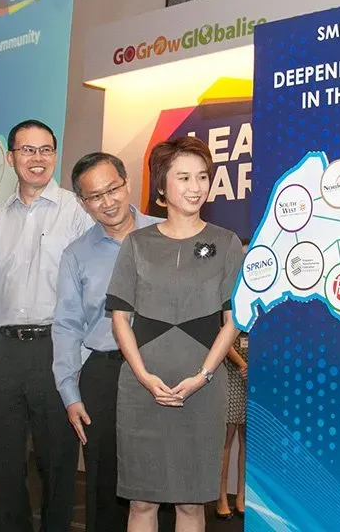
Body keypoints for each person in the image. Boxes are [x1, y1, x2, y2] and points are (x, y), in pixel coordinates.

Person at [0, 119, 92, 532]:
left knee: (58, 464)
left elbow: (94, 289)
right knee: (2, 463)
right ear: (9, 157)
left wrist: (79, 357)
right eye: (28, 150)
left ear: (56, 154)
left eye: (46, 149)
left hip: (59, 347)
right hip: (7, 351)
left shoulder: (77, 211)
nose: (38, 159)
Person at [106, 136, 242, 531]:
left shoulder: (226, 242)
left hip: (202, 389)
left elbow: (232, 320)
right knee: (141, 502)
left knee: (191, 503)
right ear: (162, 186)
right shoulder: (136, 243)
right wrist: (145, 377)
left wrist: (202, 376)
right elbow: (119, 317)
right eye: (183, 177)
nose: (196, 186)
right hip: (141, 387)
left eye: (202, 176)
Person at [52, 153, 162, 532]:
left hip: (164, 368)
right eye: (94, 196)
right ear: (82, 203)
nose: (107, 201)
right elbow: (66, 325)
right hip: (104, 375)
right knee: (105, 481)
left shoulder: (168, 234)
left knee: (163, 477)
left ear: (127, 183)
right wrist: (70, 393)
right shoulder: (76, 254)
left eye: (112, 188)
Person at [217, 240, 249, 521]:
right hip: (230, 372)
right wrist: (242, 364)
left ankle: (242, 496)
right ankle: (219, 498)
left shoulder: (264, 293)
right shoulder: (226, 292)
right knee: (225, 440)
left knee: (248, 442)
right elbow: (221, 338)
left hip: (255, 378)